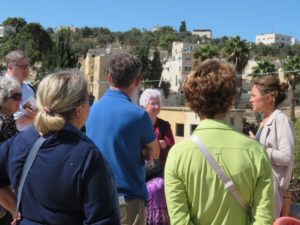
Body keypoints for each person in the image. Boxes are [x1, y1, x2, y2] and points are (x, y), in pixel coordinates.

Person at [0, 70, 120, 225]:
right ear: (78, 110)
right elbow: (103, 220)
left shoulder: (18, 143)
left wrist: (15, 209)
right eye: (88, 100)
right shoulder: (87, 155)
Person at [164, 59, 274, 225]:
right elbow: (264, 218)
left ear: (193, 103)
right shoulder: (256, 152)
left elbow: (180, 221)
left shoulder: (177, 154)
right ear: (231, 101)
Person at [86, 53, 160, 225]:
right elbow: (155, 152)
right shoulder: (139, 115)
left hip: (95, 196)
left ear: (109, 78)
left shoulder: (91, 111)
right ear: (137, 81)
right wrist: (143, 150)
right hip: (128, 198)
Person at [249, 75, 294, 218]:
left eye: (253, 95)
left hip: (273, 193)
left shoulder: (281, 120)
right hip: (263, 189)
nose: (250, 99)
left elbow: (287, 156)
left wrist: (259, 148)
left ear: (268, 98)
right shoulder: (266, 120)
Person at [139, 88, 175, 225]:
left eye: (158, 103)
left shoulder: (164, 126)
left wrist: (165, 145)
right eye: (153, 103)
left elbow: (171, 149)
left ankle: (156, 220)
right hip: (139, 169)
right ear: (143, 106)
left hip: (158, 169)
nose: (157, 107)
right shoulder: (137, 125)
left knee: (159, 186)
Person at [0, 76, 22, 225]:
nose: (20, 100)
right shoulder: (4, 123)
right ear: (3, 98)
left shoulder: (9, 119)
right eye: (16, 96)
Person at [5, 50, 37, 131]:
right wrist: (37, 116)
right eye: (22, 67)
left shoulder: (29, 88)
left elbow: (35, 110)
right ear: (10, 67)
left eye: (27, 66)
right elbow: (15, 122)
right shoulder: (3, 89)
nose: (26, 70)